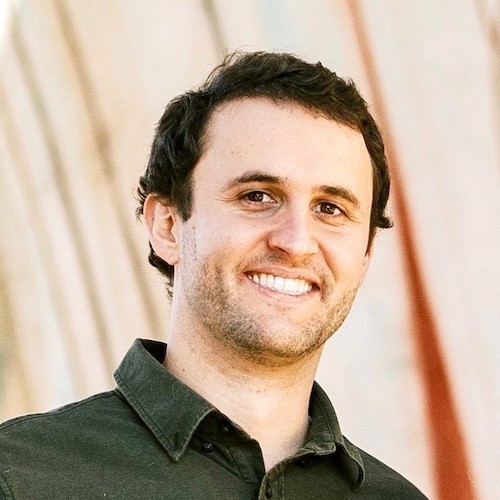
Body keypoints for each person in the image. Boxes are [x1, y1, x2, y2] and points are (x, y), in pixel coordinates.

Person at [0, 51, 427, 499]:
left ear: (365, 255)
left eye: (330, 208)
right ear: (168, 227)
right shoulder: (22, 478)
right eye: (257, 196)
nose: (296, 241)